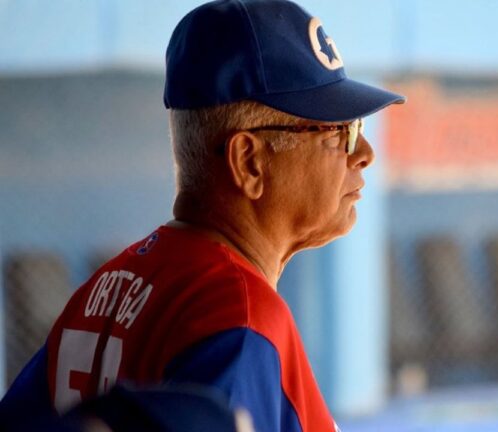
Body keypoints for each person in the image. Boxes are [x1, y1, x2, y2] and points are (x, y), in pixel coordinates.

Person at [0, 0, 405, 431]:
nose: (364, 154)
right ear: (249, 162)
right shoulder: (239, 316)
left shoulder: (108, 285)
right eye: (339, 132)